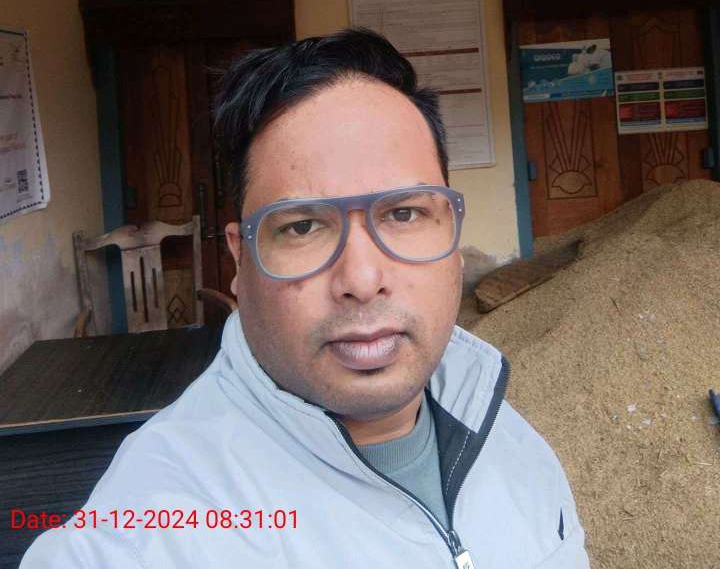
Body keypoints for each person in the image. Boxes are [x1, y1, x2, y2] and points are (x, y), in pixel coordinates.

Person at [22, 29, 590, 569]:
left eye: (404, 213)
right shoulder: (160, 524)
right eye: (301, 227)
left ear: (453, 239)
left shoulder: (502, 429)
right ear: (240, 260)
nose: (361, 279)